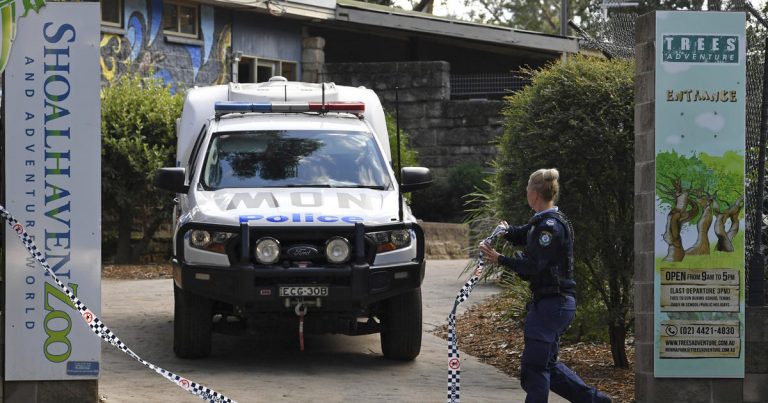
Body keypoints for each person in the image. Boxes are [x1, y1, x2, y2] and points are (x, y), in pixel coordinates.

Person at [479, 168, 611, 403]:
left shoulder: (549, 227)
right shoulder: (542, 222)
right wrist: (506, 231)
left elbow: (534, 265)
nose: (525, 192)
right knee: (548, 368)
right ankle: (597, 401)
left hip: (552, 305)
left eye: (527, 189)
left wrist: (500, 259)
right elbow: (524, 234)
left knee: (534, 369)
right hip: (552, 305)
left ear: (535, 194)